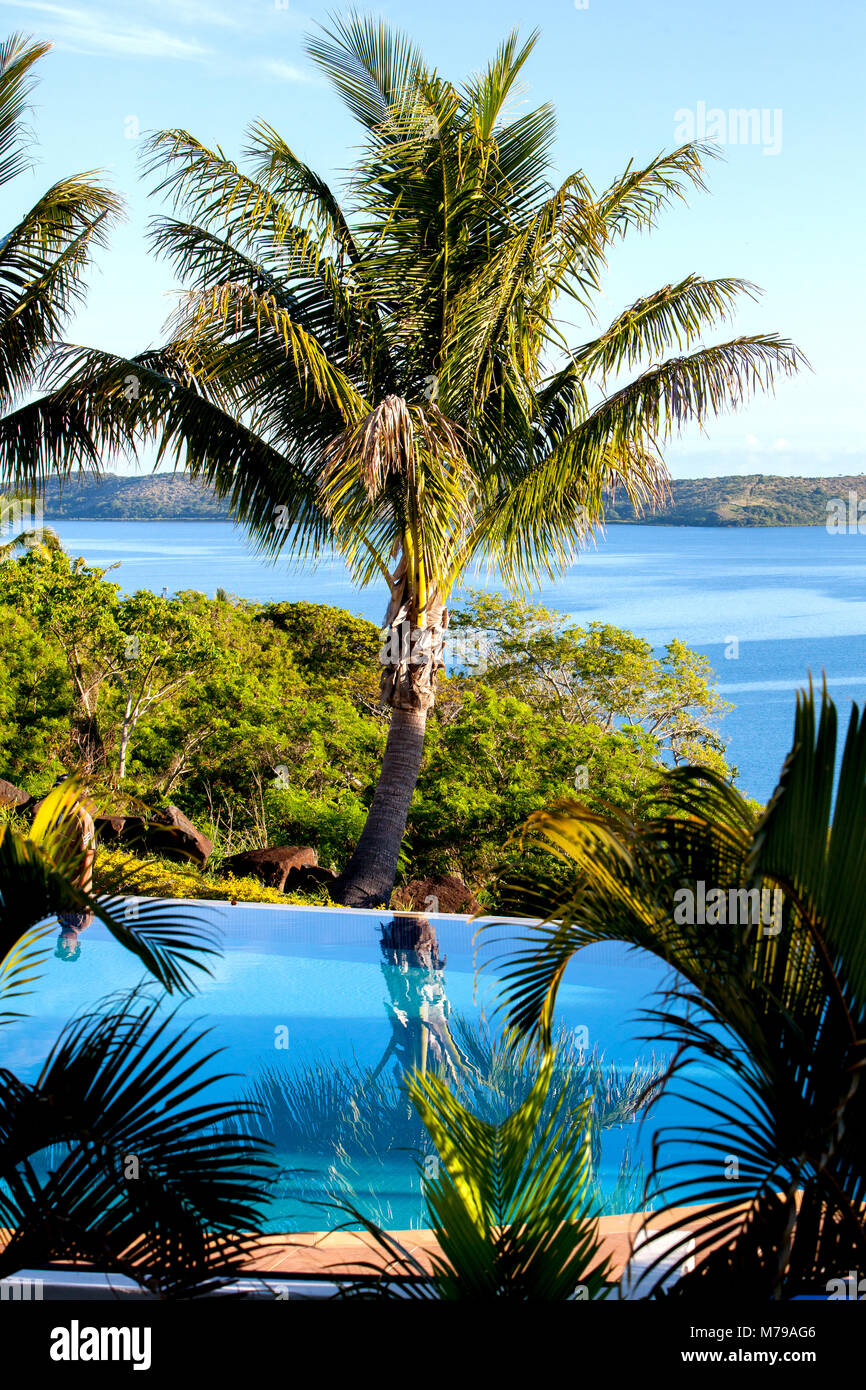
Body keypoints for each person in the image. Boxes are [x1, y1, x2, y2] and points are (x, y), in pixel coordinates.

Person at [52, 776, 97, 962]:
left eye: (61, 948)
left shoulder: (82, 819)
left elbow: (88, 856)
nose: (63, 944)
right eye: (67, 948)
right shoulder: (58, 813)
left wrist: (83, 888)